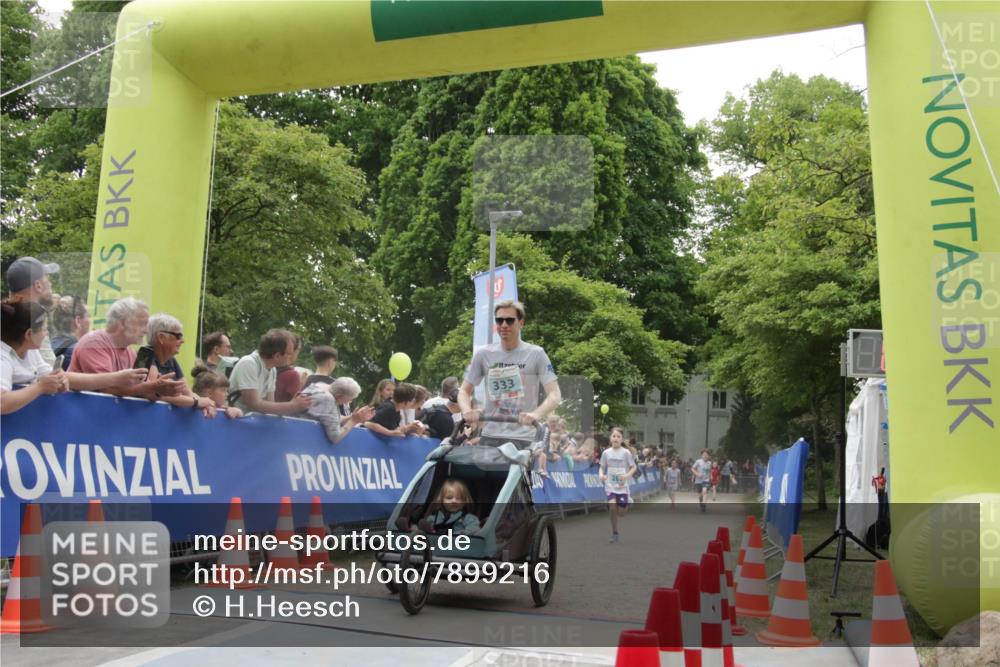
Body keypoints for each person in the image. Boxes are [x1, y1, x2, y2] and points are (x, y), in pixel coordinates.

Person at [1, 300, 147, 414]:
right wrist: (39, 388)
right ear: (28, 335)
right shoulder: (3, 357)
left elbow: (64, 377)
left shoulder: (32, 352)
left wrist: (60, 380)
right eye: (45, 329)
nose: (47, 334)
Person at [458, 299, 561, 449]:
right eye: (499, 321)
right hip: (491, 434)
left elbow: (555, 394)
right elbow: (464, 391)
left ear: (521, 323)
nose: (504, 325)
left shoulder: (536, 353)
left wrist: (536, 414)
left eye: (509, 320)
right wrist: (467, 411)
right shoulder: (484, 354)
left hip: (523, 437)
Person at [69, 297, 186, 400]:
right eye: (142, 324)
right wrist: (153, 387)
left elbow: (143, 391)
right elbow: (107, 389)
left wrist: (159, 389)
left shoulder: (131, 353)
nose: (146, 331)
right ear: (123, 322)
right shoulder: (94, 342)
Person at [135, 314, 217, 418]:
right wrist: (197, 402)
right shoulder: (145, 356)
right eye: (178, 336)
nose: (182, 341)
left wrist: (207, 404)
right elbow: (155, 396)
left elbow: (187, 392)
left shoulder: (171, 361)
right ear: (161, 337)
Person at [228, 329, 312, 416]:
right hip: (235, 421)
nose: (292, 357)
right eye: (289, 354)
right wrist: (292, 406)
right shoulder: (249, 363)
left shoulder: (272, 370)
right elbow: (254, 404)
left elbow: (270, 405)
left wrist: (294, 404)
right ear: (277, 356)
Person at [6, 256, 60, 365]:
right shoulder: (31, 323)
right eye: (48, 279)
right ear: (38, 285)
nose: (51, 284)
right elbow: (52, 373)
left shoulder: (9, 317)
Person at [301, 376, 375, 444]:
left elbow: (332, 418)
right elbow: (335, 437)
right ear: (339, 396)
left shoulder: (320, 386)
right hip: (303, 438)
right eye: (349, 400)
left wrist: (352, 416)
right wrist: (353, 421)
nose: (347, 403)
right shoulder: (328, 400)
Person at [599, 426, 637, 543]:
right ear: (610, 438)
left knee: (621, 513)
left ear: (622, 439)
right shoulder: (606, 453)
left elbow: (634, 467)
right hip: (610, 486)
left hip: (622, 487)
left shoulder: (625, 453)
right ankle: (615, 532)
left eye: (618, 436)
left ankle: (626, 503)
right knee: (612, 508)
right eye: (614, 436)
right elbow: (601, 467)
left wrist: (626, 476)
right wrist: (601, 475)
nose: (616, 438)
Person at [412, 479, 480, 535]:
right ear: (442, 501)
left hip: (456, 545)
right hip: (435, 544)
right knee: (423, 526)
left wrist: (456, 534)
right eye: (449, 498)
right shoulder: (434, 518)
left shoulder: (469, 518)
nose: (454, 501)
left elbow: (474, 530)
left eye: (459, 498)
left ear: (464, 502)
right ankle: (412, 529)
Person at [50, 295, 90, 370]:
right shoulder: (77, 351)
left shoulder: (50, 345)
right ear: (77, 321)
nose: (90, 321)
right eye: (88, 316)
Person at [274, 334, 305, 402]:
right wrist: (302, 386)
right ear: (292, 350)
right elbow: (297, 404)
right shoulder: (292, 375)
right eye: (298, 349)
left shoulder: (269, 369)